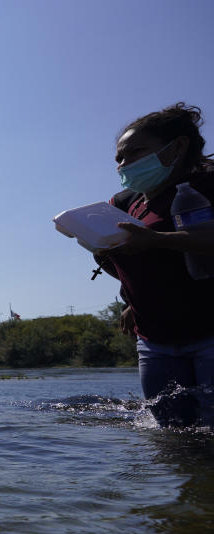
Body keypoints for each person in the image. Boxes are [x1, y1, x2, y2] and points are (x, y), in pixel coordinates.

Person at [95, 103, 214, 427]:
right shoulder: (126, 203)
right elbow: (136, 262)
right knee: (171, 437)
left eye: (135, 153)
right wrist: (128, 295)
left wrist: (158, 239)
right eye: (119, 158)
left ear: (177, 147)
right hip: (155, 340)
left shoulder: (205, 187)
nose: (123, 164)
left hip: (208, 332)